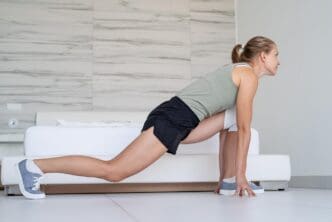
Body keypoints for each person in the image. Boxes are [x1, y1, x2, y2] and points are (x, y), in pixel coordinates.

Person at [16, 36, 280, 199]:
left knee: (231, 118)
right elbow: (246, 130)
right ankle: (35, 167)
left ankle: (227, 182)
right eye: (276, 55)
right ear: (263, 55)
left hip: (182, 119)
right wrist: (245, 176)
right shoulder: (247, 76)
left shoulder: (240, 72)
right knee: (114, 171)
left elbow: (234, 127)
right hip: (174, 117)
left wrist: (232, 176)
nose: (279, 61)